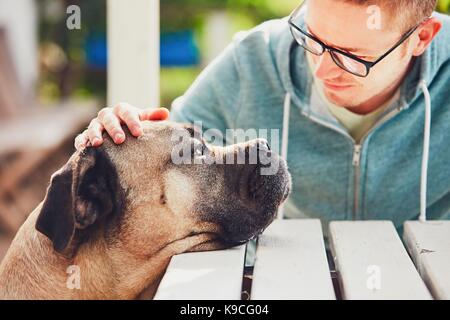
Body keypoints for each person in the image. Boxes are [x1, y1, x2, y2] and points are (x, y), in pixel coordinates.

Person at [75, 0, 450, 236]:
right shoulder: (251, 62)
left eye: (351, 57)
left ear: (422, 37)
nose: (319, 71)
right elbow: (177, 154)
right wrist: (128, 140)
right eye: (313, 38)